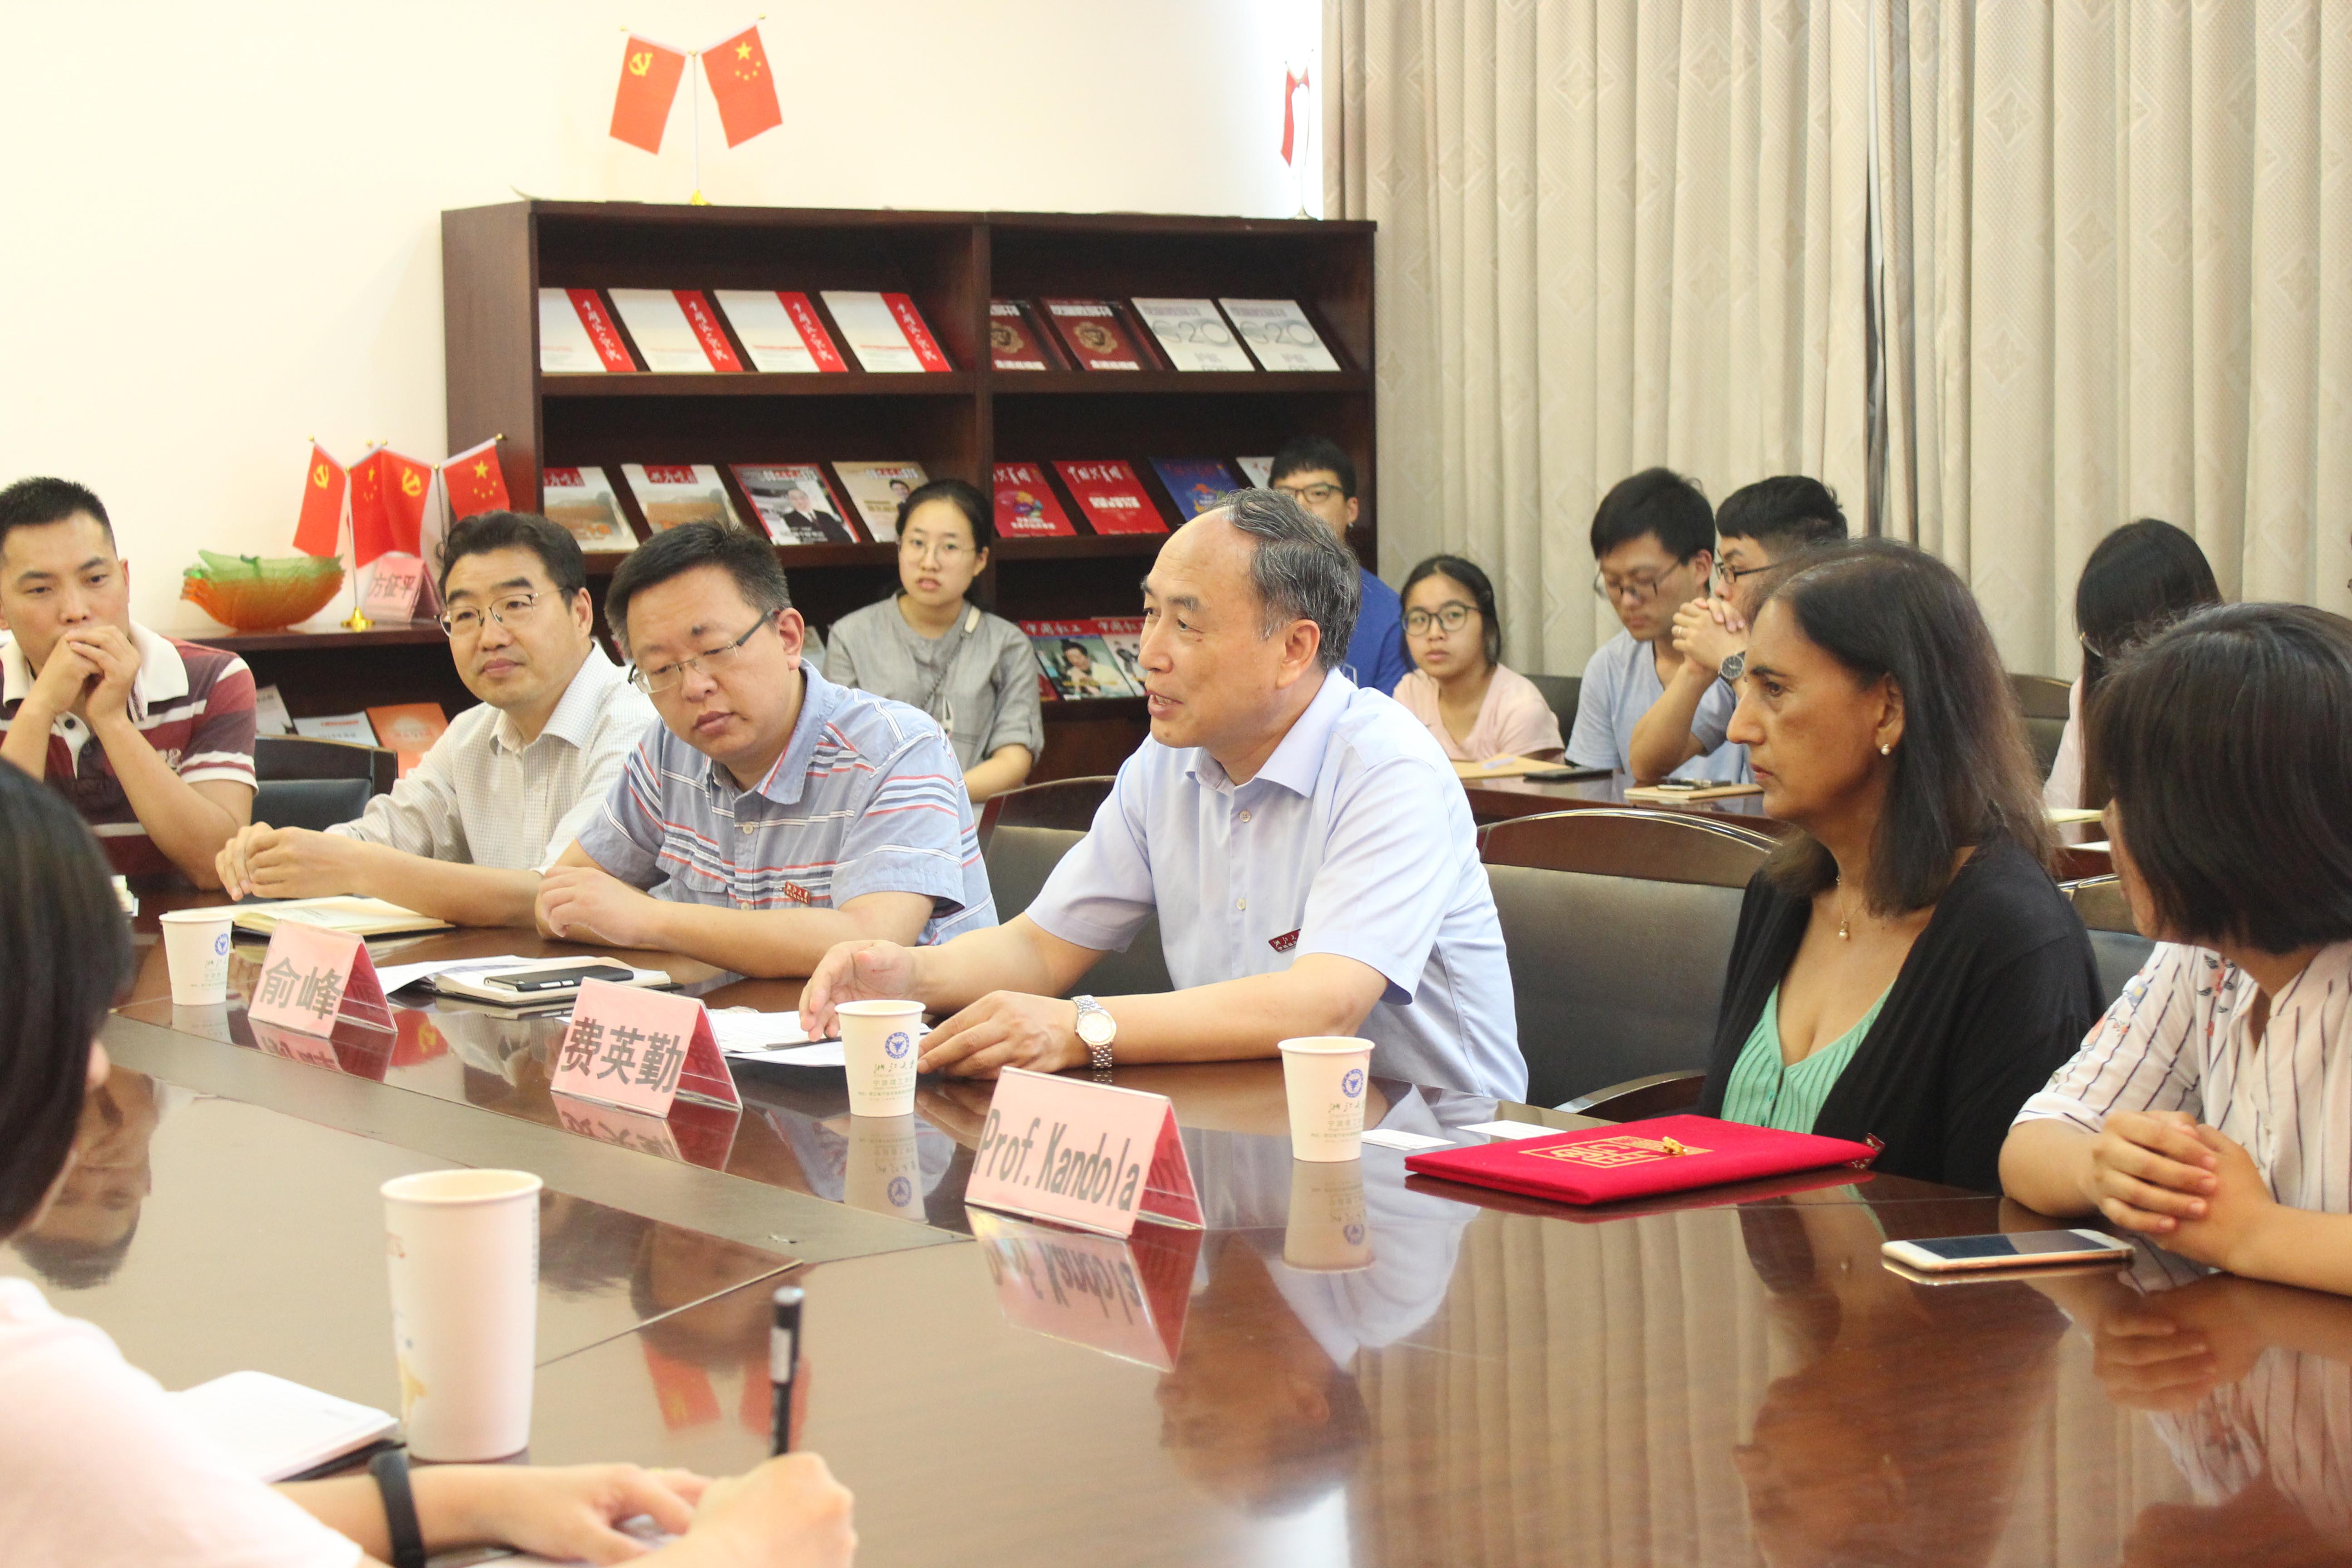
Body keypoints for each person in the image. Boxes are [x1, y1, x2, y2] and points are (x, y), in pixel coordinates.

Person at [0, 763, 857, 1568]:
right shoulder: (33, 1387)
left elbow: (156, 1519)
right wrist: (743, 1550)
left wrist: (465, 1500)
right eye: (71, 1026)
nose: (99, 1070)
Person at [799, 489, 1525, 1100]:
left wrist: (1080, 1029)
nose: (1148, 653)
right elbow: (1041, 948)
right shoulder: (1165, 762)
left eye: (1186, 623)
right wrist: (909, 973)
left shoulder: (1388, 767)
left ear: (1294, 649)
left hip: (1436, 1151)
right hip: (1247, 1115)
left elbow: (1322, 1007)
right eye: (1149, 614)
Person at [1695, 539, 2100, 1190]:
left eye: (1774, 690)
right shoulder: (1779, 894)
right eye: (1746, 687)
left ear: (1888, 708)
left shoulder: (2012, 937)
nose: (1740, 728)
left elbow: (1996, 1224)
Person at [2002, 604, 2352, 1295]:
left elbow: (2242, 1233)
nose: (2111, 821)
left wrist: (2254, 1234)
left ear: (2225, 821)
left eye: (2132, 794)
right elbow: (2033, 1142)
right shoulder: (2207, 956)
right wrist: (2103, 1170)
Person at [537, 522, 994, 979]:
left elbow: (869, 945)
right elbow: (557, 903)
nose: (693, 687)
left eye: (715, 650)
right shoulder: (669, 749)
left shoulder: (897, 748)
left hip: (895, 1025)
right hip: (731, 1018)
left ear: (789, 638)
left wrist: (651, 919)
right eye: (660, 669)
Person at [213, 512, 656, 925]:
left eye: (516, 605)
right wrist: (277, 854)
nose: (490, 637)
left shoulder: (638, 727)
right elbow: (387, 836)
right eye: (465, 616)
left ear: (580, 613)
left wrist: (354, 867)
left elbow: (558, 898)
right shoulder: (469, 734)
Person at [0, 476, 253, 887]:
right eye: (41, 589)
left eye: (96, 580)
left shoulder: (213, 678)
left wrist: (112, 721)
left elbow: (217, 867)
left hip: (173, 930)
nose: (76, 610)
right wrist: (39, 708)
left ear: (125, 579)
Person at [820, 479, 1043, 803]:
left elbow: (1014, 760)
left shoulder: (1008, 644)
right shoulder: (851, 635)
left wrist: (934, 795)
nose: (929, 562)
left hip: (973, 816)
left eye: (949, 547)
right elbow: (839, 753)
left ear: (980, 559)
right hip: (879, 813)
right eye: (917, 543)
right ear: (899, 547)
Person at [1628, 475, 1848, 783]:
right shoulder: (1747, 648)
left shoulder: (1840, 653)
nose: (1720, 589)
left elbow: (1801, 773)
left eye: (1736, 571)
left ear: (1800, 571)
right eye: (1723, 570)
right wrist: (1695, 671)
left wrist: (1736, 661)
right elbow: (1645, 765)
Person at [1565, 467, 1741, 781]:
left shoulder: (1742, 648)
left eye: (1644, 581)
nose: (1628, 601)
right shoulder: (1609, 667)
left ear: (1701, 567)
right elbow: (1591, 793)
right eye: (1613, 584)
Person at [2042, 517, 2220, 811]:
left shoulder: (2239, 704)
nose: (2119, 669)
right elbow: (2064, 820)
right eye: (2107, 646)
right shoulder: (2089, 693)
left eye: (2134, 645)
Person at [1267, 436, 1410, 697]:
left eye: (1318, 494)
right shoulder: (1247, 598)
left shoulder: (1389, 617)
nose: (1300, 507)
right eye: (1285, 495)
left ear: (1351, 510)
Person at [1389, 554, 1562, 761]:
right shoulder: (1410, 693)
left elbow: (1516, 788)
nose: (1434, 633)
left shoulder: (1521, 708)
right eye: (1419, 619)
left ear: (1487, 624)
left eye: (1453, 615)